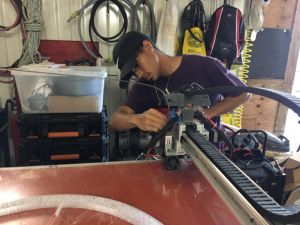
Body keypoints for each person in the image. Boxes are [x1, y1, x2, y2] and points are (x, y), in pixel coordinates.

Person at [109, 31, 251, 132]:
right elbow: (115, 120)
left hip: (210, 157)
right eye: (133, 71)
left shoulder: (204, 66)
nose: (138, 72)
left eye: (137, 64)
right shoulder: (143, 86)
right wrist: (137, 119)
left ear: (148, 46)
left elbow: (243, 94)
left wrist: (208, 113)